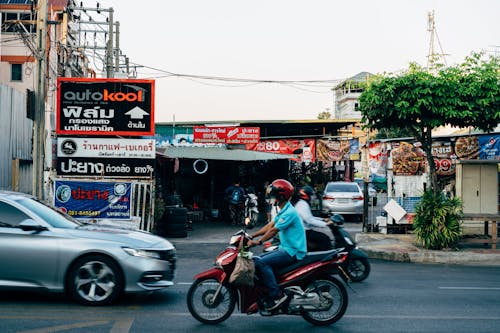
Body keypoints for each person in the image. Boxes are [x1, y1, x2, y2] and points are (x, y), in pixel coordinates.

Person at [247, 179, 306, 311]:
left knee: (262, 263)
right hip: (285, 248)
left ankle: (276, 295)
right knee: (257, 259)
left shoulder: (289, 213)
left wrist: (258, 242)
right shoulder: (284, 210)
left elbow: (274, 231)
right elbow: (270, 225)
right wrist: (251, 236)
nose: (270, 198)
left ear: (281, 196)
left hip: (292, 251)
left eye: (273, 195)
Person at [294, 186, 335, 251]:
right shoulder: (303, 205)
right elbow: (309, 220)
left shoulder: (302, 203)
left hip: (303, 231)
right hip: (304, 232)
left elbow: (310, 217)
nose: (314, 197)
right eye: (312, 195)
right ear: (306, 195)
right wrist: (325, 224)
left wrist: (323, 220)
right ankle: (324, 257)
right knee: (325, 239)